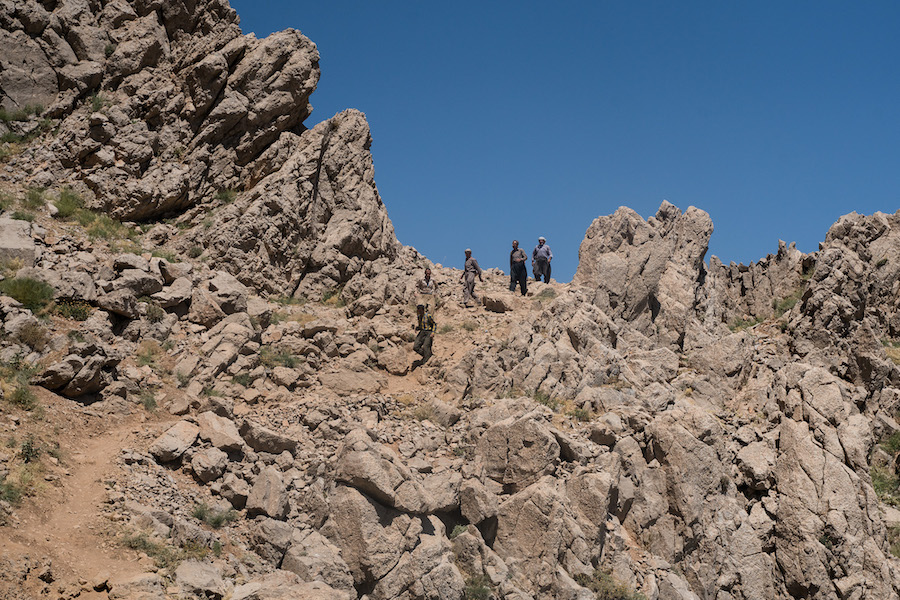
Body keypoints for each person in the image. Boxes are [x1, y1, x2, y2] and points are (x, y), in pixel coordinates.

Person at [411, 303, 435, 370]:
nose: (419, 312)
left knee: (426, 346)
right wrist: (417, 328)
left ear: (423, 310)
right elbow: (421, 326)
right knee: (415, 347)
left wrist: (433, 332)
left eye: (420, 311)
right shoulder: (419, 317)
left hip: (428, 332)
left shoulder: (428, 316)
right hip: (422, 332)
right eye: (418, 311)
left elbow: (434, 324)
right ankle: (427, 355)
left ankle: (426, 361)